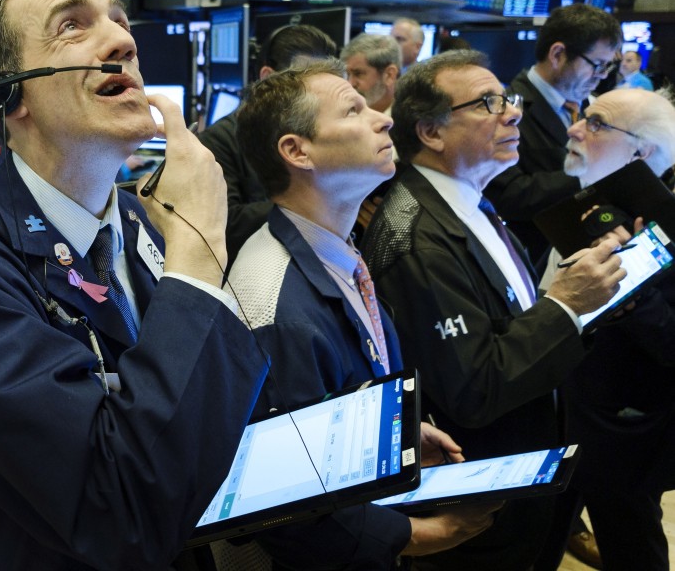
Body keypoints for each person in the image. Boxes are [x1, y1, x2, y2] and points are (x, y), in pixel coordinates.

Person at [0, 0, 267, 570]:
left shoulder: (148, 222)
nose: (121, 39)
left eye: (120, 21)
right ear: (10, 95)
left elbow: (210, 412)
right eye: (73, 24)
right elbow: (118, 512)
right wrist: (200, 250)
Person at [360, 50, 626, 570]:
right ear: (431, 133)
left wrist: (587, 302)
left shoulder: (470, 199)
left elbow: (513, 324)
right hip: (483, 505)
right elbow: (474, 388)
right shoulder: (416, 237)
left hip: (527, 478)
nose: (513, 112)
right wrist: (566, 305)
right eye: (487, 102)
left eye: (508, 98)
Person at [226, 59, 496, 569]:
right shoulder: (273, 302)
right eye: (353, 110)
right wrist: (418, 535)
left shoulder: (336, 251)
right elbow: (288, 504)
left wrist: (394, 430)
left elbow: (333, 407)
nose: (383, 118)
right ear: (296, 150)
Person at [541, 88, 675, 570]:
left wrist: (632, 283)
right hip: (553, 415)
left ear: (641, 153)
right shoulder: (573, 204)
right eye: (582, 117)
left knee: (632, 548)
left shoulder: (666, 228)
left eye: (596, 124)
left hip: (620, 433)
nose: (574, 129)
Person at [484, 3, 622, 269]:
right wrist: (587, 177)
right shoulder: (505, 111)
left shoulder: (589, 105)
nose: (601, 77)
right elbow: (509, 195)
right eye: (597, 65)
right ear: (558, 54)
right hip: (533, 261)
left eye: (608, 68)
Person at [199, 24, 339, 264]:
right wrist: (311, 204)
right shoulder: (217, 141)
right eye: (305, 84)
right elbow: (226, 223)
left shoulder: (318, 137)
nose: (315, 97)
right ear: (267, 77)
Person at [340, 32, 401, 115]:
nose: (350, 83)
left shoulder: (409, 122)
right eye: (347, 74)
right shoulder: (343, 114)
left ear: (389, 75)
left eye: (358, 74)